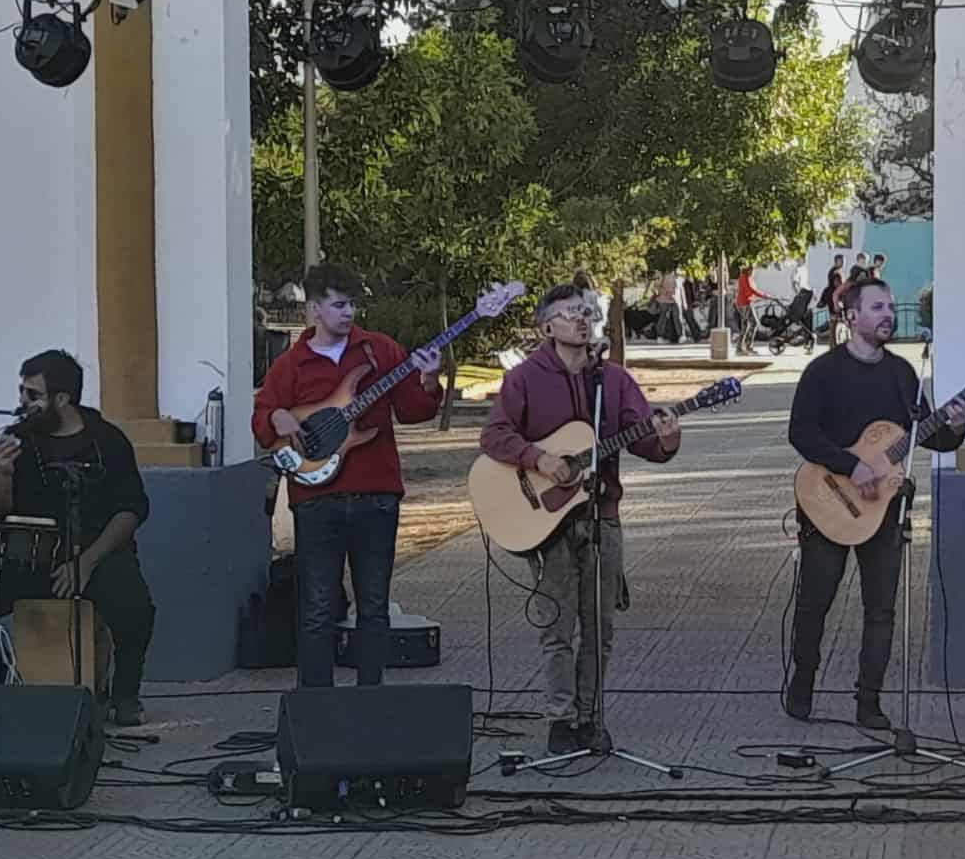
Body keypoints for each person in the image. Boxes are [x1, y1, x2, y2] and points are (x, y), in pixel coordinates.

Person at [479, 284, 682, 755]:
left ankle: (591, 716)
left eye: (588, 312)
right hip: (546, 522)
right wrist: (538, 459)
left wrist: (667, 438)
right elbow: (494, 435)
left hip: (601, 516)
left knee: (599, 626)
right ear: (546, 327)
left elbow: (642, 441)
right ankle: (560, 717)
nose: (582, 319)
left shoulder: (612, 380)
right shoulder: (526, 378)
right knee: (557, 626)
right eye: (571, 313)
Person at [785, 278, 965, 728]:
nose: (888, 314)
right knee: (815, 601)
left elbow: (927, 434)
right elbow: (801, 432)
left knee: (881, 608)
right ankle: (801, 686)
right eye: (877, 307)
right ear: (851, 317)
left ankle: (870, 702)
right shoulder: (822, 372)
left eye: (890, 306)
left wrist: (956, 425)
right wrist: (849, 465)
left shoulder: (902, 374)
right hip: (829, 500)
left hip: (885, 509)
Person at [252, 263, 442, 688]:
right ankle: (317, 707)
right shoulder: (291, 364)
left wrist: (428, 380)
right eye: (339, 305)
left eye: (353, 304)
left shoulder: (381, 351)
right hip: (316, 499)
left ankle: (369, 701)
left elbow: (412, 411)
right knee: (318, 608)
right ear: (315, 309)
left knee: (373, 607)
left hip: (376, 494)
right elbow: (263, 420)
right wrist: (278, 416)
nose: (348, 313)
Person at [0, 349, 156, 725]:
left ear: (62, 399)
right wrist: (3, 472)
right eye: (21, 392)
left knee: (136, 608)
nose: (22, 402)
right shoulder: (17, 438)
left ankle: (124, 696)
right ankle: (5, 687)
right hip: (31, 555)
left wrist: (86, 562)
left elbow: (131, 510)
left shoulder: (107, 440)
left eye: (32, 395)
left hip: (97, 554)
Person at [733, 264, 775, 353]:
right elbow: (752, 290)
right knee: (754, 323)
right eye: (752, 270)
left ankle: (741, 348)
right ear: (749, 270)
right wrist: (766, 296)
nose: (754, 272)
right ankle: (747, 347)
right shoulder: (745, 277)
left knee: (745, 326)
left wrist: (760, 297)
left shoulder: (748, 277)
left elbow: (752, 291)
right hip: (744, 304)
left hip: (745, 303)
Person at [573, 269, 608, 346]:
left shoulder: (572, 295)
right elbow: (600, 309)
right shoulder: (593, 294)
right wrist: (602, 319)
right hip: (592, 326)